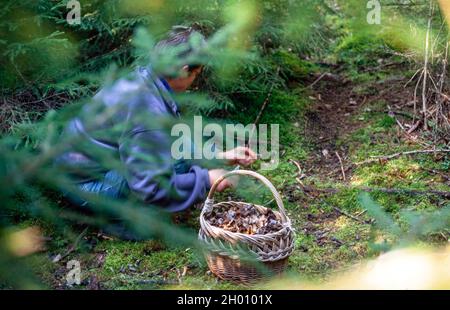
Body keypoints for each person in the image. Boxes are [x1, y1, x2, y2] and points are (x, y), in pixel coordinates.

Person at [57, 25, 257, 222]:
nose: (194, 82)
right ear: (183, 71)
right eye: (196, 74)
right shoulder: (145, 107)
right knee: (175, 167)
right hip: (84, 186)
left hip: (87, 169)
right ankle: (132, 225)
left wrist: (219, 157)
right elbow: (150, 185)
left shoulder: (148, 78)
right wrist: (208, 179)